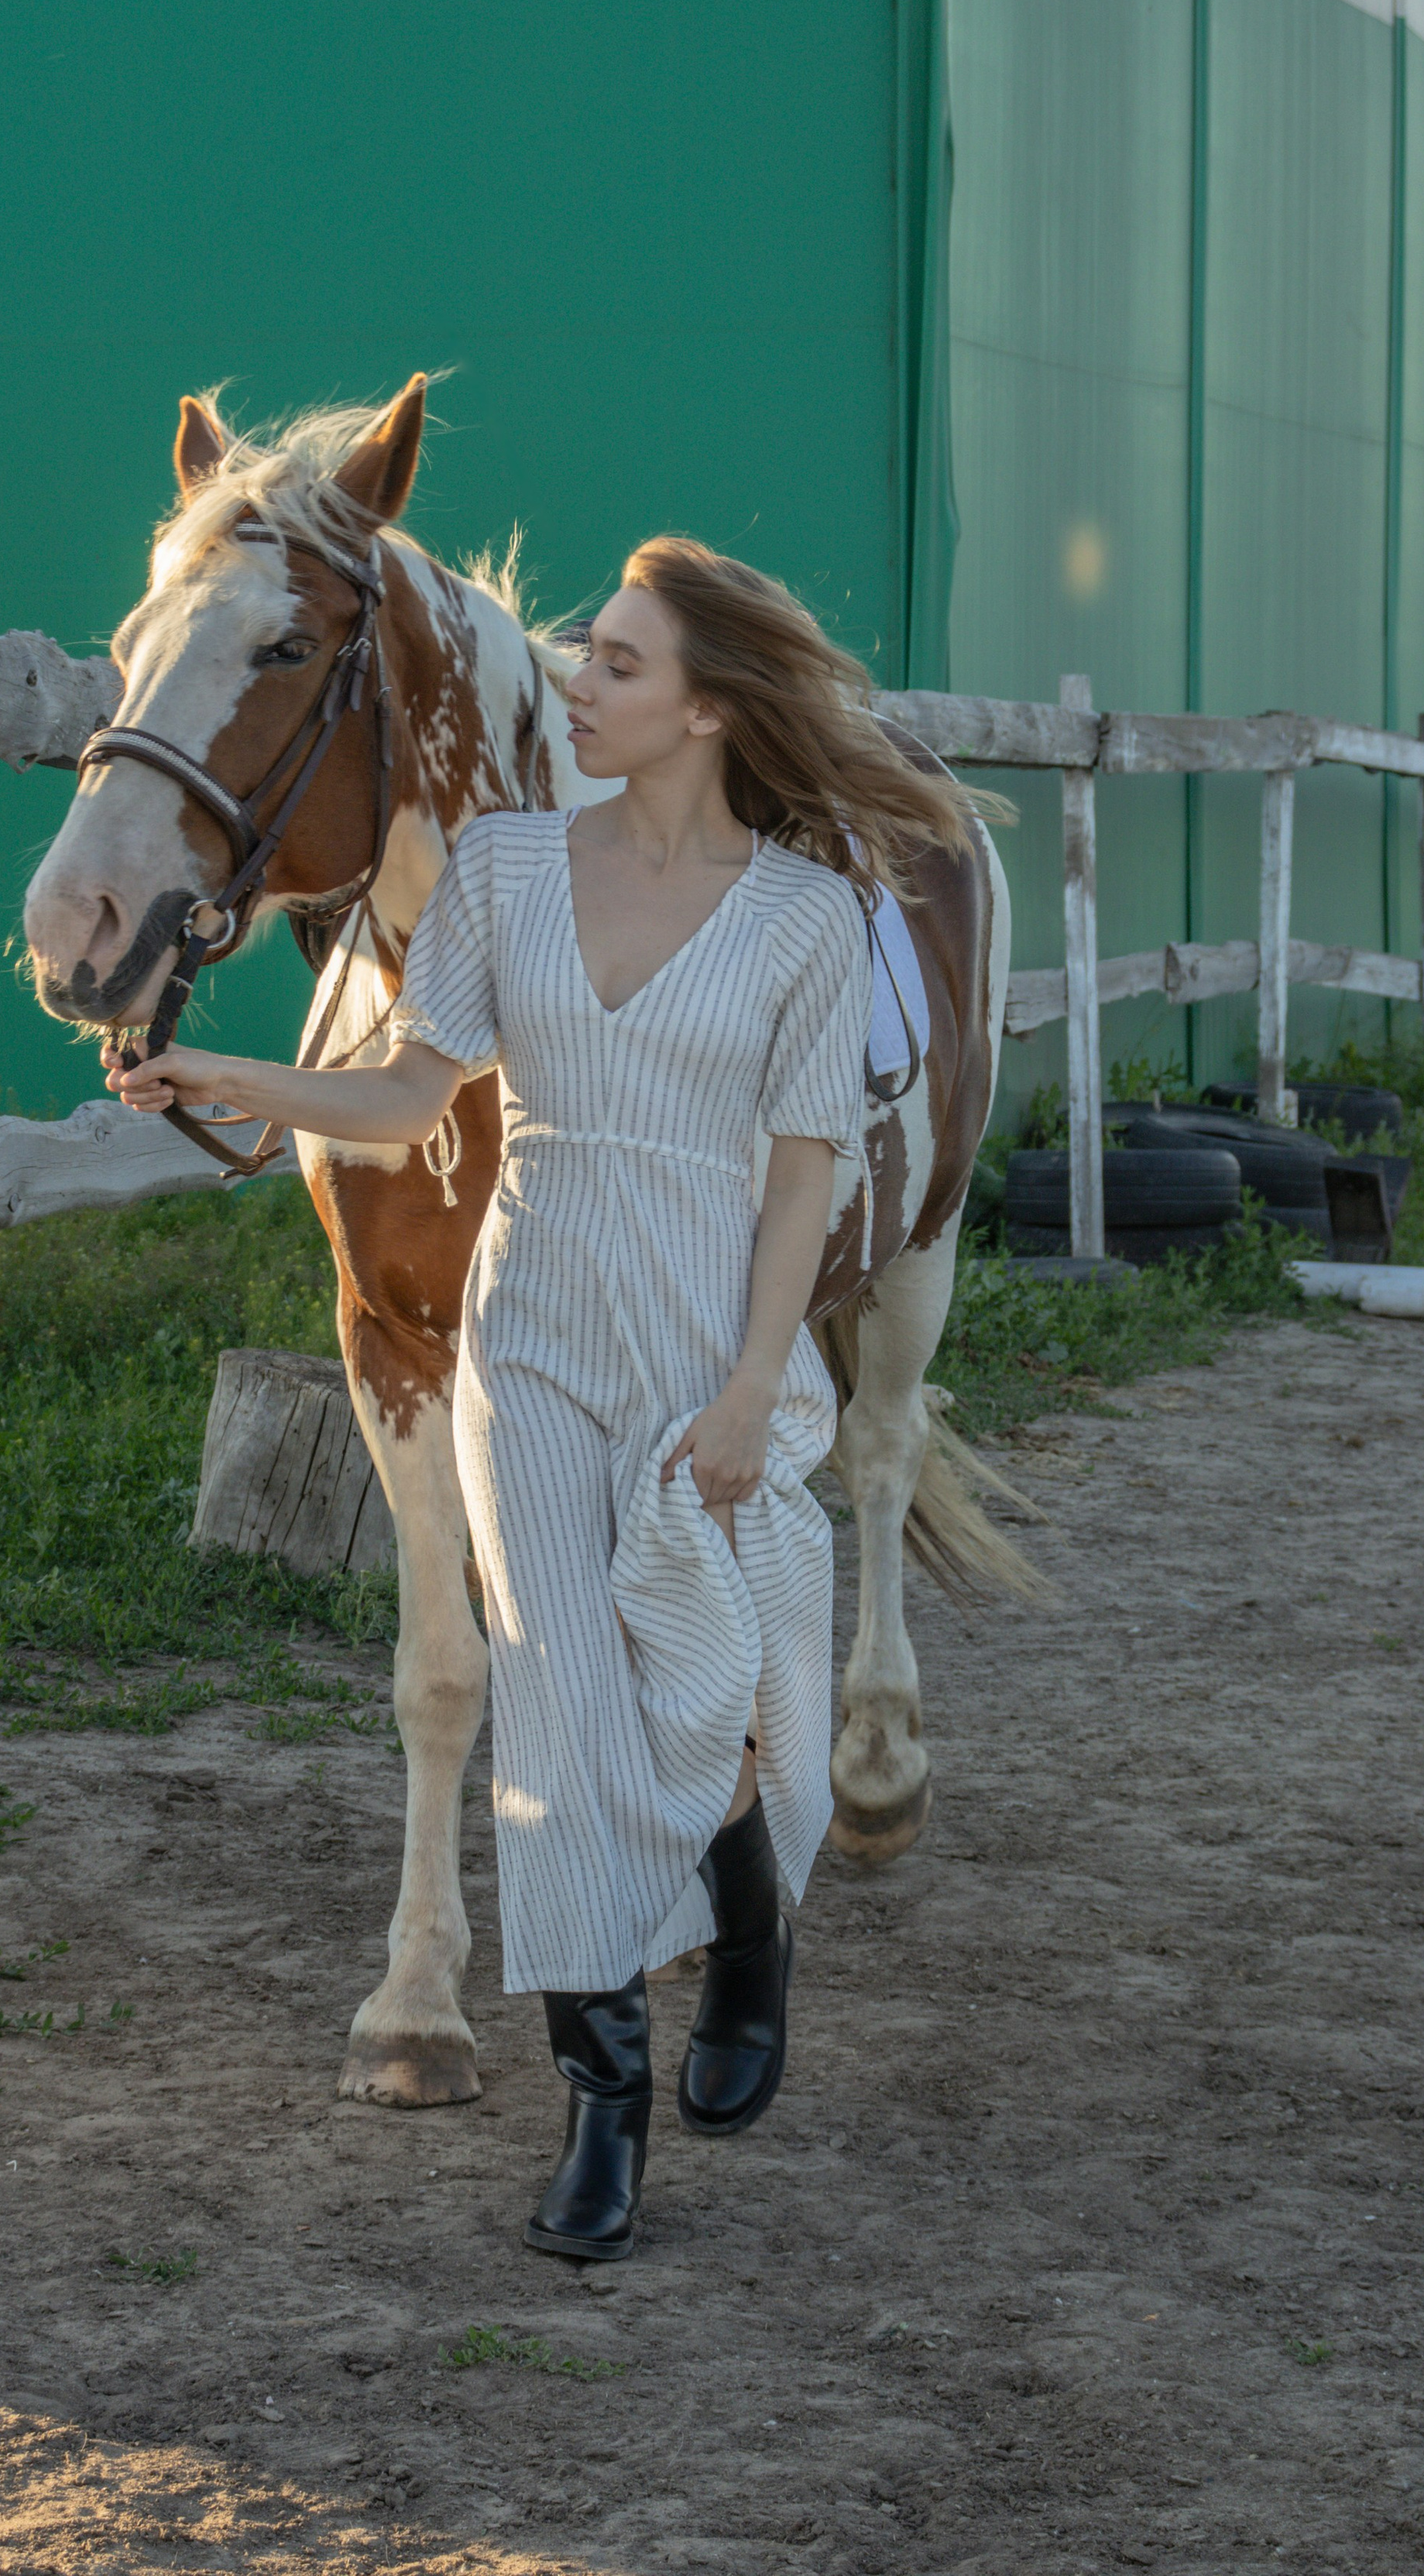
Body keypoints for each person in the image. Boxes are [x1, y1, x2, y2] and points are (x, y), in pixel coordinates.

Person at [108, 537, 979, 2261]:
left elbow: (806, 1177)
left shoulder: (805, 917)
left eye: (621, 666)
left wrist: (755, 1385)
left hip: (701, 1339)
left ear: (709, 712)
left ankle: (748, 1922)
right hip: (532, 1338)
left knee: (705, 1691)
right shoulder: (503, 871)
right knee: (562, 1711)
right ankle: (603, 2100)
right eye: (588, 655)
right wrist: (216, 1068)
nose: (578, 682)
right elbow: (403, 1095)